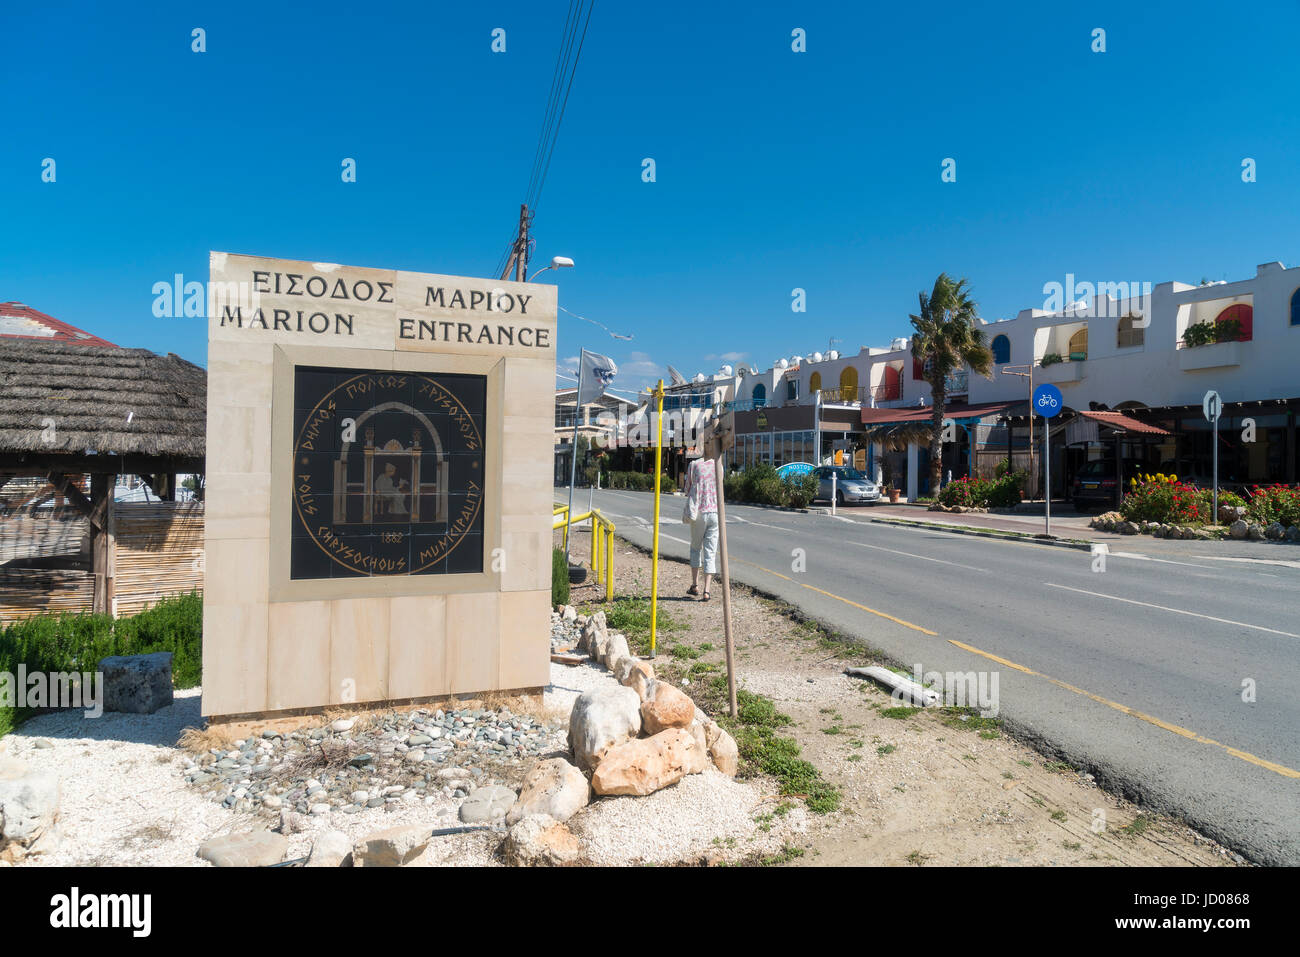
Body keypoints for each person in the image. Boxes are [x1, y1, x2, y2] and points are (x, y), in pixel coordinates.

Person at [683, 446, 720, 600]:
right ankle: (707, 590)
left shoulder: (694, 465)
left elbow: (687, 489)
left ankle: (694, 585)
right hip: (715, 513)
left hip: (699, 513)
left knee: (695, 548)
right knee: (710, 552)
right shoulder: (718, 465)